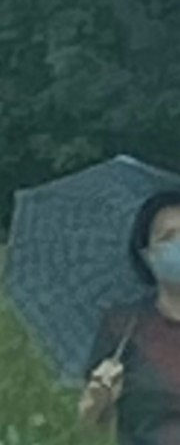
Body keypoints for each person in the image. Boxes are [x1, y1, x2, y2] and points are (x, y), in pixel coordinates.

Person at [78, 190, 180, 445]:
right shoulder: (123, 326)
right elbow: (88, 426)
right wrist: (97, 398)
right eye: (168, 237)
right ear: (148, 255)